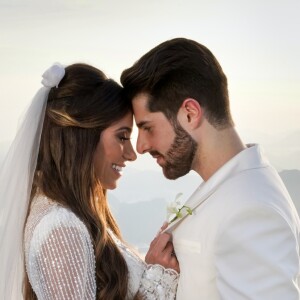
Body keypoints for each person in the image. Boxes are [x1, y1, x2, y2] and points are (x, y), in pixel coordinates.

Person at [121, 38, 300, 299]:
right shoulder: (229, 186)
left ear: (190, 114)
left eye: (147, 128)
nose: (141, 146)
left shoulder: (252, 210)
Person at [0, 63, 179, 299]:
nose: (132, 153)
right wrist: (159, 281)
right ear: (84, 137)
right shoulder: (60, 228)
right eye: (122, 137)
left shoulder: (70, 216)